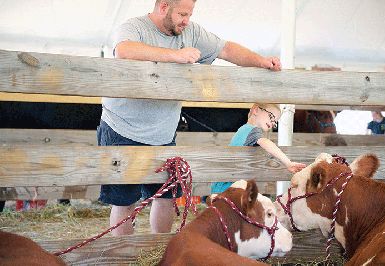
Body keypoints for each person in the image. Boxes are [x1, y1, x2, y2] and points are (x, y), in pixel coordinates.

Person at [98, 0, 282, 236]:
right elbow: (124, 50)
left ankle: (159, 250)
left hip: (163, 132)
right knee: (124, 200)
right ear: (163, 7)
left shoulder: (191, 32)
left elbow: (225, 48)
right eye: (182, 14)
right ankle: (122, 256)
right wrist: (175, 56)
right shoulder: (134, 27)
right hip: (122, 128)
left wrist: (261, 61)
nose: (187, 20)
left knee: (166, 196)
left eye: (190, 14)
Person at [211, 103, 306, 194]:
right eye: (271, 117)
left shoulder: (243, 129)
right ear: (256, 110)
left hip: (223, 184)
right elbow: (266, 142)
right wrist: (288, 162)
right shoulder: (252, 130)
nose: (273, 123)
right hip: (228, 187)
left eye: (275, 122)